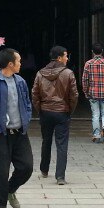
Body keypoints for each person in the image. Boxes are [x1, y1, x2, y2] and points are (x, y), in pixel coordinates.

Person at [0, 47, 33, 208]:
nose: (21, 64)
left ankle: (10, 190)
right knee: (0, 171)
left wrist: (26, 119)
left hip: (20, 132)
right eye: (19, 61)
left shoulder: (20, 82)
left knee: (27, 167)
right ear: (10, 64)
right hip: (1, 135)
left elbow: (27, 102)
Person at [32, 45, 78, 185]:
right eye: (65, 56)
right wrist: (70, 110)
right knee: (62, 144)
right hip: (62, 112)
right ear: (59, 57)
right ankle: (60, 177)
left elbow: (35, 94)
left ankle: (44, 170)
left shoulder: (40, 73)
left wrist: (40, 110)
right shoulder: (68, 73)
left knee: (46, 141)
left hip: (45, 112)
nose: (67, 58)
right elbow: (74, 95)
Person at [82, 42, 104, 144]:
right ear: (102, 51)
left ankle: (96, 136)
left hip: (93, 93)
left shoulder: (88, 64)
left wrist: (85, 91)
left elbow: (84, 80)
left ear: (92, 52)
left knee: (95, 115)